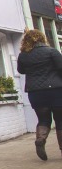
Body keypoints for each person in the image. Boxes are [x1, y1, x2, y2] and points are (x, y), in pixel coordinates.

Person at [17, 29, 62, 161]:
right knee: (60, 120)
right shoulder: (51, 52)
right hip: (56, 90)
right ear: (42, 38)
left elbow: (21, 70)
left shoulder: (23, 55)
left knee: (43, 119)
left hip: (36, 92)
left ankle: (40, 139)